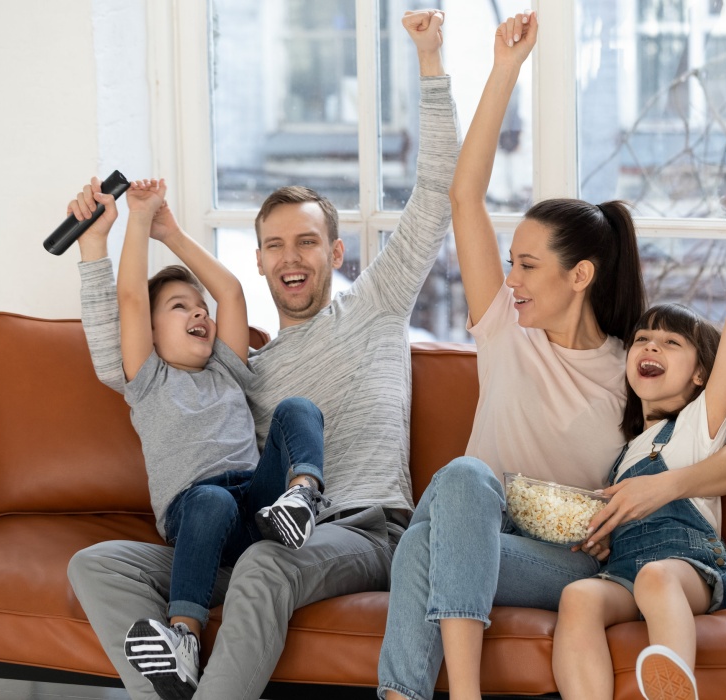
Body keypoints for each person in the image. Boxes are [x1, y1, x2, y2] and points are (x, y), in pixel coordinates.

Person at [65, 10, 458, 700]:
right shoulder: (241, 372)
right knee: (97, 565)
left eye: (306, 242)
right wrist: (101, 243)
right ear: (259, 263)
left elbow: (433, 193)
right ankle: (173, 679)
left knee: (265, 566)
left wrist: (429, 63)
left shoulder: (376, 306)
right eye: (274, 246)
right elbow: (118, 354)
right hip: (251, 529)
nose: (290, 258)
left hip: (360, 529)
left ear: (334, 253)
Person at [377, 13, 726, 700]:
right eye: (510, 264)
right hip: (475, 522)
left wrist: (659, 488)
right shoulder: (503, 328)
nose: (513, 280)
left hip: (564, 561)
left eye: (527, 266)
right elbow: (462, 198)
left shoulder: (632, 366)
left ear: (579, 275)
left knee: (427, 535)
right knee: (462, 482)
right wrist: (505, 69)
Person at [552, 188, 726, 700]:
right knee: (577, 596)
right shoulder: (627, 451)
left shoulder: (699, 426)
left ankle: (676, 686)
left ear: (701, 375)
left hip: (686, 568)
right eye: (642, 339)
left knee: (658, 577)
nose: (651, 346)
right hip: (621, 572)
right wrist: (594, 528)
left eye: (671, 343)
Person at [97, 177, 329, 698]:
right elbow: (132, 298)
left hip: (258, 506)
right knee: (208, 499)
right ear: (151, 335)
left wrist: (173, 232)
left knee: (298, 408)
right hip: (199, 513)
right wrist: (139, 218)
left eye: (198, 307)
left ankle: (305, 497)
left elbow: (230, 291)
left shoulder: (227, 368)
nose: (199, 312)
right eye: (180, 308)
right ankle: (183, 640)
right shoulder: (149, 379)